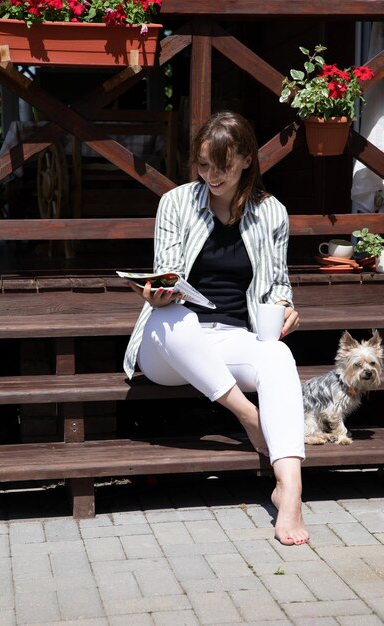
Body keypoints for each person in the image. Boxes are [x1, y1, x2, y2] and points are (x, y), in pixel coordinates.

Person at [123, 111, 309, 546]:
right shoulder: (176, 202)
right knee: (175, 316)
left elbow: (278, 283)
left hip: (231, 336)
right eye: (203, 165)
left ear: (246, 159)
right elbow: (166, 271)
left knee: (279, 356)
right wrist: (157, 293)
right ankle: (249, 416)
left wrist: (286, 307)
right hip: (168, 345)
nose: (210, 176)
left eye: (221, 166)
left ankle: (291, 490)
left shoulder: (272, 213)